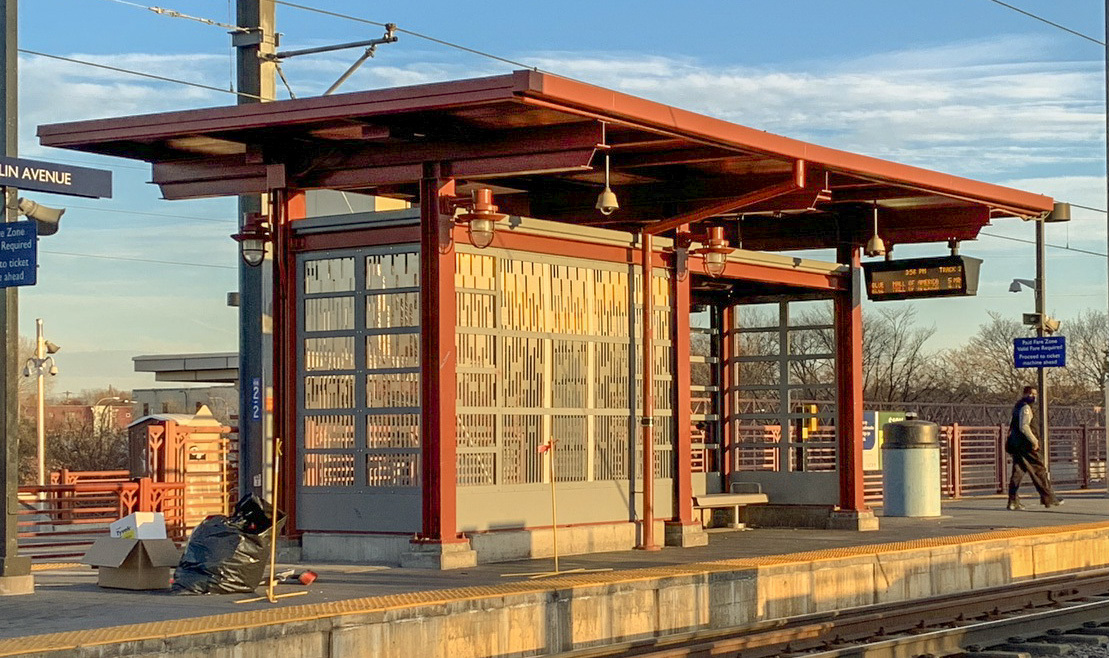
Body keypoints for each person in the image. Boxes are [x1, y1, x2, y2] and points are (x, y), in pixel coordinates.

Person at [1005, 385, 1062, 510]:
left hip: (1016, 444)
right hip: (1026, 445)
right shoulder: (1026, 407)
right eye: (1031, 394)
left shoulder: (1017, 406)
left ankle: (1013, 501)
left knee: (1018, 472)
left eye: (1035, 394)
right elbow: (1024, 426)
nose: (1034, 397)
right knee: (1039, 469)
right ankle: (1049, 498)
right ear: (1025, 394)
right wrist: (1034, 441)